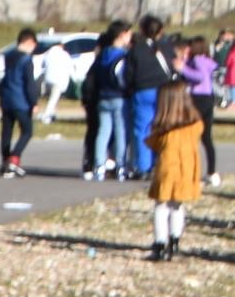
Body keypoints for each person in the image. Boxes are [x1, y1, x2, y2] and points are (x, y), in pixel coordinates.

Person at [141, 82, 203, 263]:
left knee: (161, 206)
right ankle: (175, 242)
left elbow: (152, 144)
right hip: (187, 170)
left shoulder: (163, 130)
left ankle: (160, 244)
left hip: (167, 170)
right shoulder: (195, 125)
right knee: (177, 205)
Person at [122, 16, 171, 180]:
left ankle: (143, 167)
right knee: (163, 128)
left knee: (142, 130)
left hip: (142, 91)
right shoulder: (166, 48)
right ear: (161, 31)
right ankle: (161, 163)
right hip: (164, 92)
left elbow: (128, 74)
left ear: (142, 30)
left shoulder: (136, 49)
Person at [81, 21, 130, 179]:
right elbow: (122, 77)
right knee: (120, 131)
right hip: (118, 97)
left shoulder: (103, 55)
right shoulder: (122, 56)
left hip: (103, 97)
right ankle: (121, 164)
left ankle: (99, 163)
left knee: (103, 131)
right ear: (121, 35)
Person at [0, 25, 43, 176]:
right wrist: (34, 102)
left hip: (6, 98)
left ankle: (5, 161)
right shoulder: (26, 60)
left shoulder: (8, 56)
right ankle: (14, 158)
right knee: (27, 131)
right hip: (21, 100)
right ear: (29, 41)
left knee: (6, 132)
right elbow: (29, 83)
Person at [180, 34, 220, 184]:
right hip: (208, 98)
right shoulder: (207, 60)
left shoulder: (197, 60)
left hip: (197, 98)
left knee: (190, 135)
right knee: (206, 137)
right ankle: (212, 172)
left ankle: (190, 171)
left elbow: (199, 77)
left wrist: (183, 68)